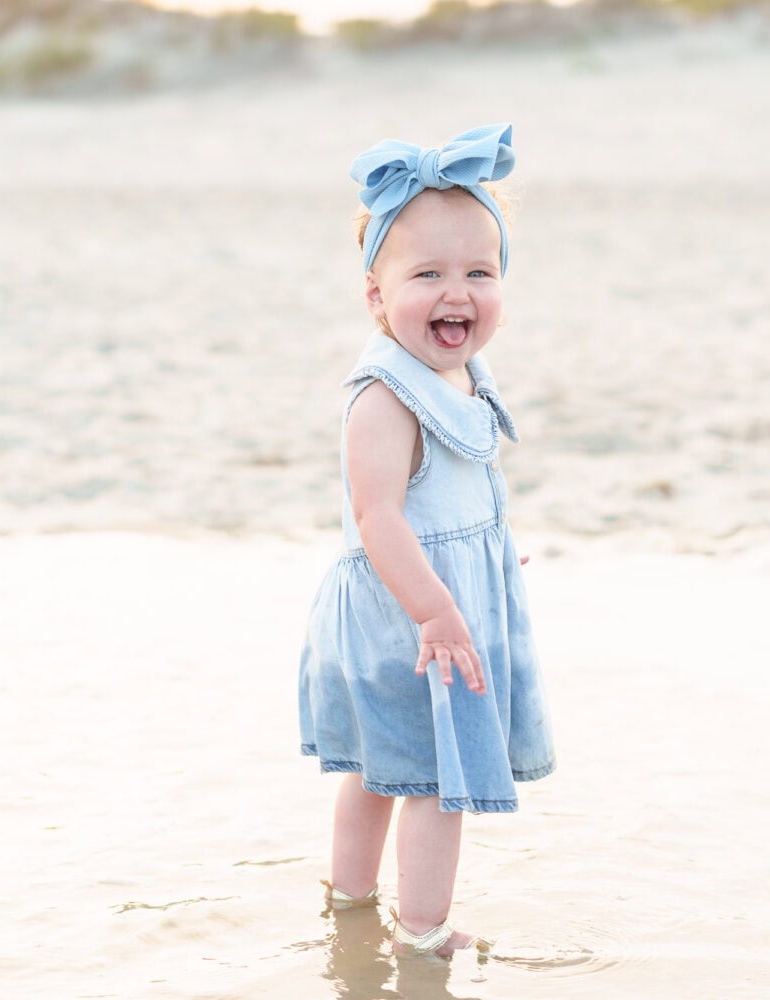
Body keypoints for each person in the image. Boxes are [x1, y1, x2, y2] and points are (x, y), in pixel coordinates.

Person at [298, 123, 556, 960]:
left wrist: (479, 554)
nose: (458, 292)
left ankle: (349, 899)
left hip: (427, 596)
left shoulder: (454, 378)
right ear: (376, 296)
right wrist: (439, 610)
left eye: (479, 272)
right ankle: (422, 932)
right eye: (428, 275)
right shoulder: (384, 396)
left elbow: (440, 504)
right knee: (436, 781)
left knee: (382, 771)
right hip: (403, 619)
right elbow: (378, 519)